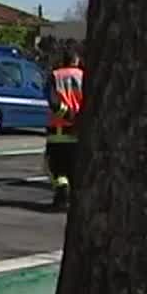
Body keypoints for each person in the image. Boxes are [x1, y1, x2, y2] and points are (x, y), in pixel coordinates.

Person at [46, 49, 84, 212]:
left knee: (57, 170)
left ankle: (61, 198)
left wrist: (67, 115)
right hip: (79, 133)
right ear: (76, 60)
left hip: (58, 133)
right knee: (74, 170)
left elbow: (53, 102)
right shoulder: (86, 76)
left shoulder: (55, 76)